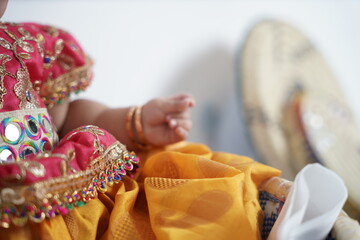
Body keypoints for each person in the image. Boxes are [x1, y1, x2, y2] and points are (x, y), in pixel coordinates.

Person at [0, 1, 280, 239]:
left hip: (84, 210)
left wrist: (135, 122)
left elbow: (65, 119)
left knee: (192, 189)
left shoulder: (20, 47)